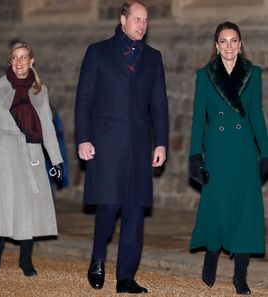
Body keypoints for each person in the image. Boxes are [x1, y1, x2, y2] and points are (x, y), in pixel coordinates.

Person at [75, 1, 168, 294]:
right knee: (108, 204)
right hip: (105, 145)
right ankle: (98, 258)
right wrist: (83, 138)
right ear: (123, 19)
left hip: (140, 147)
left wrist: (162, 143)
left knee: (135, 211)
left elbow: (160, 106)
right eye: (137, 19)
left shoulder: (154, 58)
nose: (142, 25)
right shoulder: (98, 52)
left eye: (146, 20)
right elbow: (84, 99)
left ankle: (126, 277)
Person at [189, 21, 268, 295]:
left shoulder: (253, 73)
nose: (229, 46)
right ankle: (212, 253)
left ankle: (240, 275)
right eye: (224, 41)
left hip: (244, 150)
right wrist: (194, 155)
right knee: (218, 208)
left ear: (240, 44)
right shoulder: (205, 75)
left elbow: (256, 115)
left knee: (246, 212)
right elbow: (199, 117)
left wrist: (266, 151)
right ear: (216, 46)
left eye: (234, 40)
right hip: (218, 150)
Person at [0, 41, 63, 277]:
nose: (19, 62)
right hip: (3, 150)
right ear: (10, 61)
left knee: (28, 206)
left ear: (31, 60)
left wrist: (56, 161)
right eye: (15, 58)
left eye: (23, 57)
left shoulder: (39, 91)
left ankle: (26, 259)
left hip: (31, 151)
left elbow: (47, 127)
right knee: (4, 202)